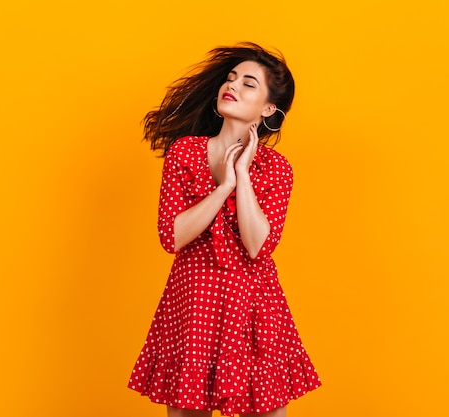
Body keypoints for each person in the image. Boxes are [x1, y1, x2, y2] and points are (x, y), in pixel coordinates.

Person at [128, 42, 321, 417]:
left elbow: (257, 247)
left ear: (268, 109)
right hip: (194, 297)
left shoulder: (277, 169)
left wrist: (244, 176)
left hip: (253, 305)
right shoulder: (185, 153)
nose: (232, 85)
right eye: (232, 78)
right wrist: (224, 187)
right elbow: (173, 236)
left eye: (249, 82)